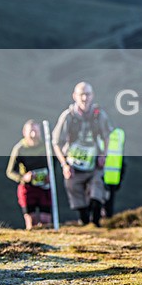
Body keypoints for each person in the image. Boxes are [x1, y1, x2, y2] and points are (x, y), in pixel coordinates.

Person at [52, 81, 112, 226]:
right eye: (81, 94)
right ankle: (85, 223)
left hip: (94, 163)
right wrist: (64, 164)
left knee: (97, 193)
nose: (85, 98)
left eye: (88, 94)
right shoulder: (67, 117)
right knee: (77, 198)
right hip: (73, 164)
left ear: (93, 96)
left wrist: (103, 155)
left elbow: (107, 135)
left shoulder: (100, 115)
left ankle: (96, 223)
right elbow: (56, 142)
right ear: (75, 96)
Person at [5, 120, 53, 229]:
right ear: (24, 132)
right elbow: (10, 171)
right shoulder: (20, 149)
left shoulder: (47, 147)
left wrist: (51, 177)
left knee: (45, 220)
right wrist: (23, 178)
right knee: (32, 221)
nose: (33, 134)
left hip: (44, 187)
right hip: (28, 188)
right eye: (31, 131)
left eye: (36, 131)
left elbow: (54, 164)